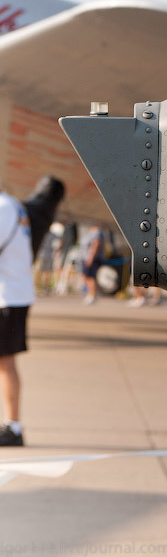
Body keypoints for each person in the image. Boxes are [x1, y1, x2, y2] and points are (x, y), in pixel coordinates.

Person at [0, 187, 33, 445]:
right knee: (6, 363)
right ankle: (13, 425)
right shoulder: (14, 204)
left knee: (6, 363)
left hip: (7, 297)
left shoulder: (2, 208)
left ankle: (13, 427)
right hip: (15, 293)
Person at [81, 225, 113, 305]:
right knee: (85, 275)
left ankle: (92, 295)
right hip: (86, 257)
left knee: (91, 277)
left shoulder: (98, 231)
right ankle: (91, 293)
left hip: (93, 258)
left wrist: (91, 257)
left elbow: (96, 243)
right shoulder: (91, 230)